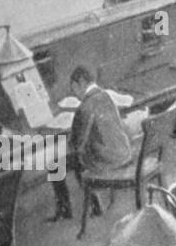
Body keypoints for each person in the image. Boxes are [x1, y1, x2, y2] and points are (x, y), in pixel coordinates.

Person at [50, 66, 135, 224]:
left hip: (107, 160)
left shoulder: (84, 107)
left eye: (74, 88)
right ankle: (95, 205)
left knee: (56, 165)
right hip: (124, 153)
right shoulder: (106, 96)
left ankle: (65, 211)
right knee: (80, 157)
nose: (75, 94)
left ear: (81, 83)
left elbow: (76, 144)